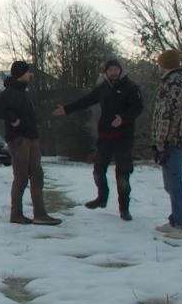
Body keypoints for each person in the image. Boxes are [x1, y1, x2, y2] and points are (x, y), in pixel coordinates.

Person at [52, 59, 144, 221]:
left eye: (116, 69)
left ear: (120, 71)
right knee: (98, 171)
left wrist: (123, 118)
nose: (113, 72)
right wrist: (66, 109)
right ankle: (102, 198)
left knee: (122, 175)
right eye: (110, 70)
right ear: (106, 72)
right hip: (105, 137)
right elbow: (86, 100)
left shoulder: (130, 87)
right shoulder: (103, 88)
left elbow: (138, 108)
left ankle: (124, 208)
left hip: (124, 137)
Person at [0, 61, 62, 225]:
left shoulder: (23, 92)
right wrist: (12, 119)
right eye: (28, 72)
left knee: (37, 175)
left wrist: (38, 121)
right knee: (21, 177)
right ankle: (16, 214)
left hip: (31, 138)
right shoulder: (10, 92)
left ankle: (40, 214)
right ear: (21, 73)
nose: (31, 75)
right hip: (19, 139)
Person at [152, 49, 182, 239]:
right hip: (174, 138)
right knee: (170, 183)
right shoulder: (174, 81)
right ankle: (175, 220)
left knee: (175, 183)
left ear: (165, 64)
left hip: (174, 139)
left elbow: (169, 114)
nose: (158, 67)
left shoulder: (175, 84)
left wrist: (162, 138)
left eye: (160, 63)